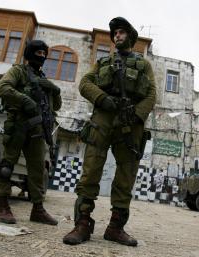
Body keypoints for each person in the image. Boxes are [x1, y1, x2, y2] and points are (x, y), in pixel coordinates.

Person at [63, 17, 156, 246]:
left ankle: (116, 227)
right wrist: (102, 98)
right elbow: (85, 83)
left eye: (122, 32)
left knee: (126, 174)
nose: (117, 36)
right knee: (91, 169)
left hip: (130, 121)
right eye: (115, 33)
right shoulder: (103, 62)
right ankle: (82, 223)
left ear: (131, 38)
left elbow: (152, 95)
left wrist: (135, 115)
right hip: (102, 119)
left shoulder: (143, 65)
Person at [0, 40, 62, 226]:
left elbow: (55, 106)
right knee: (7, 166)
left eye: (43, 53)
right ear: (30, 54)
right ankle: (2, 205)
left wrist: (54, 90)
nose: (41, 56)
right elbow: (1, 88)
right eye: (38, 53)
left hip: (38, 131)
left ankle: (37, 209)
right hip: (17, 126)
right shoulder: (19, 71)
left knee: (38, 171)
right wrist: (24, 99)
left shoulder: (44, 79)